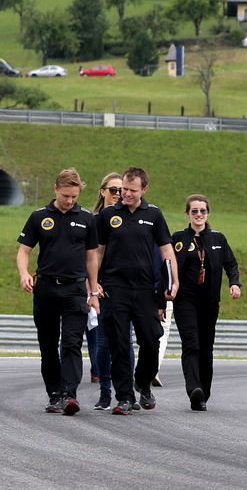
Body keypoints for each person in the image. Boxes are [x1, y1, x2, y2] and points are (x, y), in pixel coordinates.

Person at [95, 166, 178, 415]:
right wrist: (93, 282)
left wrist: (173, 281)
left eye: (132, 190)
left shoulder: (154, 214)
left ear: (144, 189)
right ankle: (124, 397)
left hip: (144, 290)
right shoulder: (108, 214)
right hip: (114, 289)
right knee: (119, 344)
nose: (126, 195)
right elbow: (96, 252)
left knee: (151, 341)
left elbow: (166, 251)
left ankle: (142, 383)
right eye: (123, 190)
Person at [16, 168, 99, 415]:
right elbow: (24, 251)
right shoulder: (39, 216)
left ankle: (69, 395)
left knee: (73, 343)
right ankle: (54, 394)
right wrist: (23, 273)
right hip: (46, 288)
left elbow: (92, 257)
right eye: (65, 195)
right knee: (49, 345)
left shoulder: (87, 218)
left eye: (74, 196)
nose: (69, 200)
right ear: (55, 189)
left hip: (75, 289)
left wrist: (93, 292)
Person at [171, 195, 242, 411]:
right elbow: (167, 267)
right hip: (185, 300)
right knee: (191, 343)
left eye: (203, 211)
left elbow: (231, 264)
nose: (199, 215)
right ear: (188, 214)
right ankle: (193, 388)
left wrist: (234, 283)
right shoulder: (179, 238)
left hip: (209, 301)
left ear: (207, 213)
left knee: (205, 348)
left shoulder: (218, 239)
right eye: (195, 211)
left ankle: (203, 394)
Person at [89, 173, 130, 411]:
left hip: (126, 289)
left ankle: (127, 393)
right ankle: (105, 392)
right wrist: (92, 284)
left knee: (126, 341)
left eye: (120, 189)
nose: (117, 193)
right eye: (113, 189)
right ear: (102, 191)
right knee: (102, 342)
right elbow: (88, 256)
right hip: (99, 288)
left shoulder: (133, 216)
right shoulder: (92, 219)